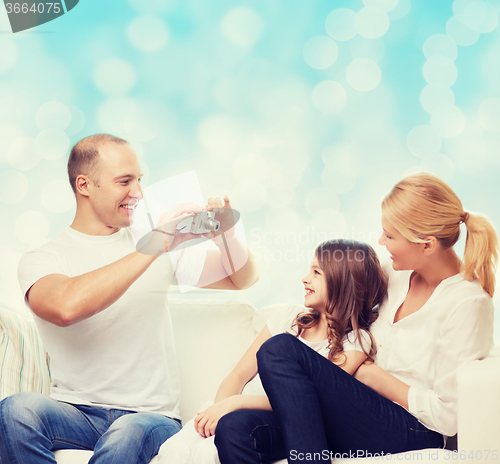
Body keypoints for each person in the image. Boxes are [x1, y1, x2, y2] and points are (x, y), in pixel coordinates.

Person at [0, 134, 259, 464]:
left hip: (150, 419)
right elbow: (66, 307)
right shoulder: (43, 259)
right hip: (76, 413)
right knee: (15, 410)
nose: (137, 192)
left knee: (126, 435)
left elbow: (243, 279)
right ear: (84, 185)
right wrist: (155, 244)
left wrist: (228, 235)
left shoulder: (157, 245)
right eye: (125, 181)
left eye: (139, 180)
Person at [215, 172, 498, 464]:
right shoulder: (394, 275)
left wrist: (373, 376)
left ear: (426, 245)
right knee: (234, 429)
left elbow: (448, 417)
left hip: (412, 428)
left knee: (279, 349)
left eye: (390, 236)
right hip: (354, 409)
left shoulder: (468, 303)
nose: (380, 241)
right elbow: (341, 287)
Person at [157, 239, 388, 464]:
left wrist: (236, 404)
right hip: (237, 410)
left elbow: (306, 401)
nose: (305, 278)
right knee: (191, 447)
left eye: (316, 272)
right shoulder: (289, 318)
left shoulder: (356, 342)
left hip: (281, 422)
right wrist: (220, 409)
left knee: (235, 430)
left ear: (343, 281)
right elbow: (238, 375)